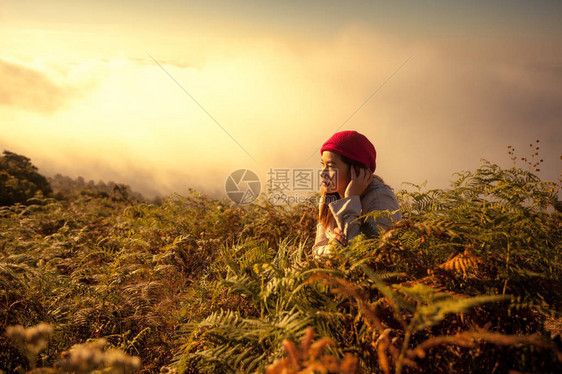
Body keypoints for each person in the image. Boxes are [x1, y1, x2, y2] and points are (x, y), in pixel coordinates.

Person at [312, 130, 401, 258]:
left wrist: (350, 199)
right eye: (322, 164)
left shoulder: (380, 198)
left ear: (356, 170)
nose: (322, 173)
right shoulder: (328, 197)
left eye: (331, 166)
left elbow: (365, 256)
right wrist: (332, 249)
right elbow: (317, 251)